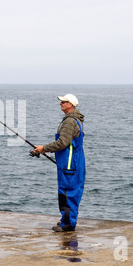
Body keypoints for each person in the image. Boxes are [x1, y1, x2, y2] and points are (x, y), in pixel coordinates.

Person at [34, 94, 85, 232]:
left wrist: (43, 148)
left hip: (69, 164)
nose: (60, 104)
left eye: (63, 102)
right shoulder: (76, 120)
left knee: (67, 194)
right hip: (74, 162)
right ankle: (66, 220)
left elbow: (62, 143)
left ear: (71, 104)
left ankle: (67, 224)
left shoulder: (69, 122)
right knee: (70, 193)